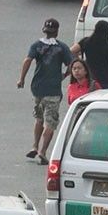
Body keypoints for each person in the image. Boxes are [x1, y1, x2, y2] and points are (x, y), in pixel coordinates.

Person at [17, 18, 73, 165]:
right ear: (57, 31)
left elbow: (27, 61)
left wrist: (21, 79)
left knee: (39, 118)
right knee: (51, 122)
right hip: (53, 90)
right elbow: (72, 64)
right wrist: (64, 75)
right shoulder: (62, 48)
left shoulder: (36, 45)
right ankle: (42, 151)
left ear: (44, 30)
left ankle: (34, 145)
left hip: (37, 88)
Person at [70, 20, 108, 89]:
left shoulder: (86, 41)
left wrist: (80, 62)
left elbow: (72, 51)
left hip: (90, 78)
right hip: (106, 79)